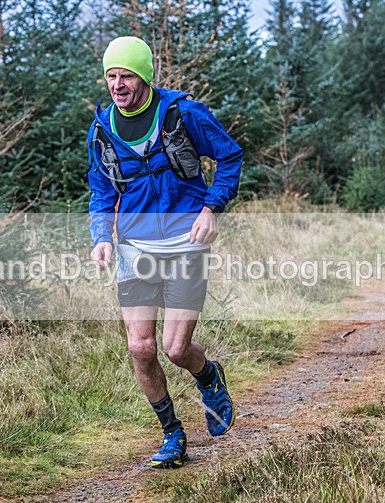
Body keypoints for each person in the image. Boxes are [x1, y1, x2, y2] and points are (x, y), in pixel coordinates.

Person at [86, 36, 242, 468]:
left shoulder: (182, 113)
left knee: (175, 348)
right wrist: (102, 235)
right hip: (135, 248)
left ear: (145, 76)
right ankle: (172, 434)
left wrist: (212, 207)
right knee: (141, 347)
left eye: (126, 75)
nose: (117, 84)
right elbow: (100, 189)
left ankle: (208, 376)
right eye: (111, 76)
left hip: (185, 245)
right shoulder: (102, 129)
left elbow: (230, 156)